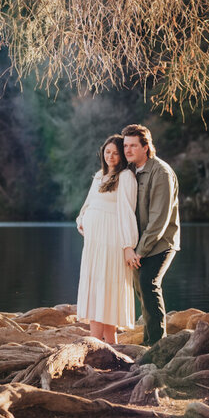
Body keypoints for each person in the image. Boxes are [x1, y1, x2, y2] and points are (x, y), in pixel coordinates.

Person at [75, 135, 139, 344]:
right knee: (95, 287)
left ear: (122, 155)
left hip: (112, 241)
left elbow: (128, 212)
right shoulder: (98, 176)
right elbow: (88, 205)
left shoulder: (127, 177)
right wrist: (82, 219)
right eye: (107, 151)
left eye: (115, 152)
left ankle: (111, 344)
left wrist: (128, 245)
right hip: (94, 243)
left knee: (109, 288)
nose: (110, 156)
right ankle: (95, 342)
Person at [122, 123, 180, 346]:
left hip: (161, 243)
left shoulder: (161, 172)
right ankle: (148, 342)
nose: (128, 150)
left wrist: (139, 251)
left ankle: (158, 346)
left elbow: (159, 220)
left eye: (133, 146)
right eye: (126, 145)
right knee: (141, 290)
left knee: (149, 283)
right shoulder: (130, 172)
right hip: (139, 245)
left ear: (146, 147)